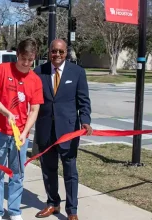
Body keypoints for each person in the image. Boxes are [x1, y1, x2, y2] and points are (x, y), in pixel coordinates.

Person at [33, 39, 93, 220]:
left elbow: (84, 100)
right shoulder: (38, 72)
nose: (57, 55)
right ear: (49, 52)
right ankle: (53, 203)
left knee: (70, 171)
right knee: (48, 169)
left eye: (61, 51)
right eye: (54, 51)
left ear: (66, 52)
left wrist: (85, 120)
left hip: (68, 130)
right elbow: (32, 101)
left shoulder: (77, 72)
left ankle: (72, 210)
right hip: (45, 129)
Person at [0, 37, 44, 220]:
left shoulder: (35, 80)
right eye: (23, 58)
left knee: (17, 174)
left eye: (30, 60)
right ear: (17, 55)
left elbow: (34, 109)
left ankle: (15, 211)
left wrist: (25, 132)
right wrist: (5, 112)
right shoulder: (2, 70)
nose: (26, 63)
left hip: (20, 135)